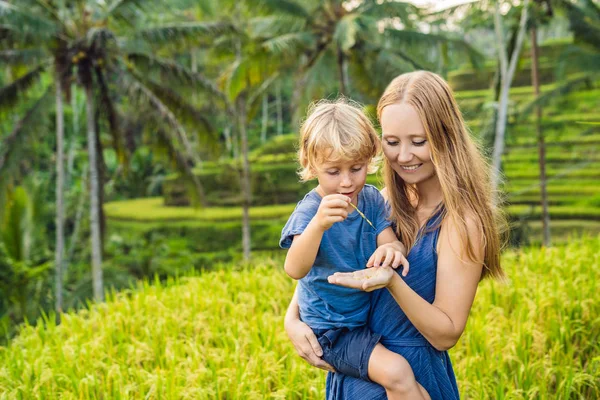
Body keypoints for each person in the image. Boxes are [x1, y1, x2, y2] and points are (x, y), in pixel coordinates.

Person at [284, 71, 506, 399]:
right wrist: (293, 320)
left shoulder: (462, 222)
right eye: (392, 142)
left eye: (418, 141)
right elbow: (324, 267)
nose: (403, 156)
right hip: (357, 369)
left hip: (413, 374)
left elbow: (445, 335)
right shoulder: (381, 200)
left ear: (445, 138)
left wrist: (391, 280)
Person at [280, 98, 430, 399]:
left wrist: (393, 250)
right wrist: (318, 226)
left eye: (357, 168)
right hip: (330, 331)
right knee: (398, 373)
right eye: (334, 172)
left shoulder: (371, 200)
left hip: (363, 320)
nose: (347, 182)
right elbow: (294, 269)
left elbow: (387, 237)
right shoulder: (310, 212)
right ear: (312, 166)